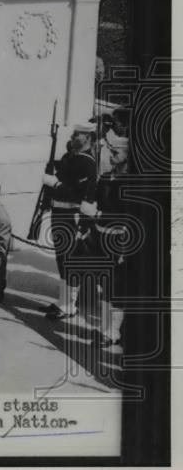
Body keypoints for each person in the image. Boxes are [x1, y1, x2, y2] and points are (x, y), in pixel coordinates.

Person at [41, 121, 98, 319]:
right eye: (74, 134)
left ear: (89, 138)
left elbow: (78, 193)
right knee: (62, 258)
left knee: (70, 260)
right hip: (60, 214)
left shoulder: (86, 162)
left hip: (71, 217)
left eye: (78, 135)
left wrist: (55, 183)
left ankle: (70, 305)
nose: (73, 137)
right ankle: (62, 302)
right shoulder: (73, 158)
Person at [79, 134, 131, 346]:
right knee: (104, 283)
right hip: (100, 236)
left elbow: (129, 216)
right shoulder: (106, 177)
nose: (111, 155)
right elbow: (97, 202)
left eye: (116, 152)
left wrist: (97, 214)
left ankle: (113, 332)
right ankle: (104, 328)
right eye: (111, 151)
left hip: (118, 239)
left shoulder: (131, 183)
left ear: (127, 156)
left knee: (116, 286)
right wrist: (88, 224)